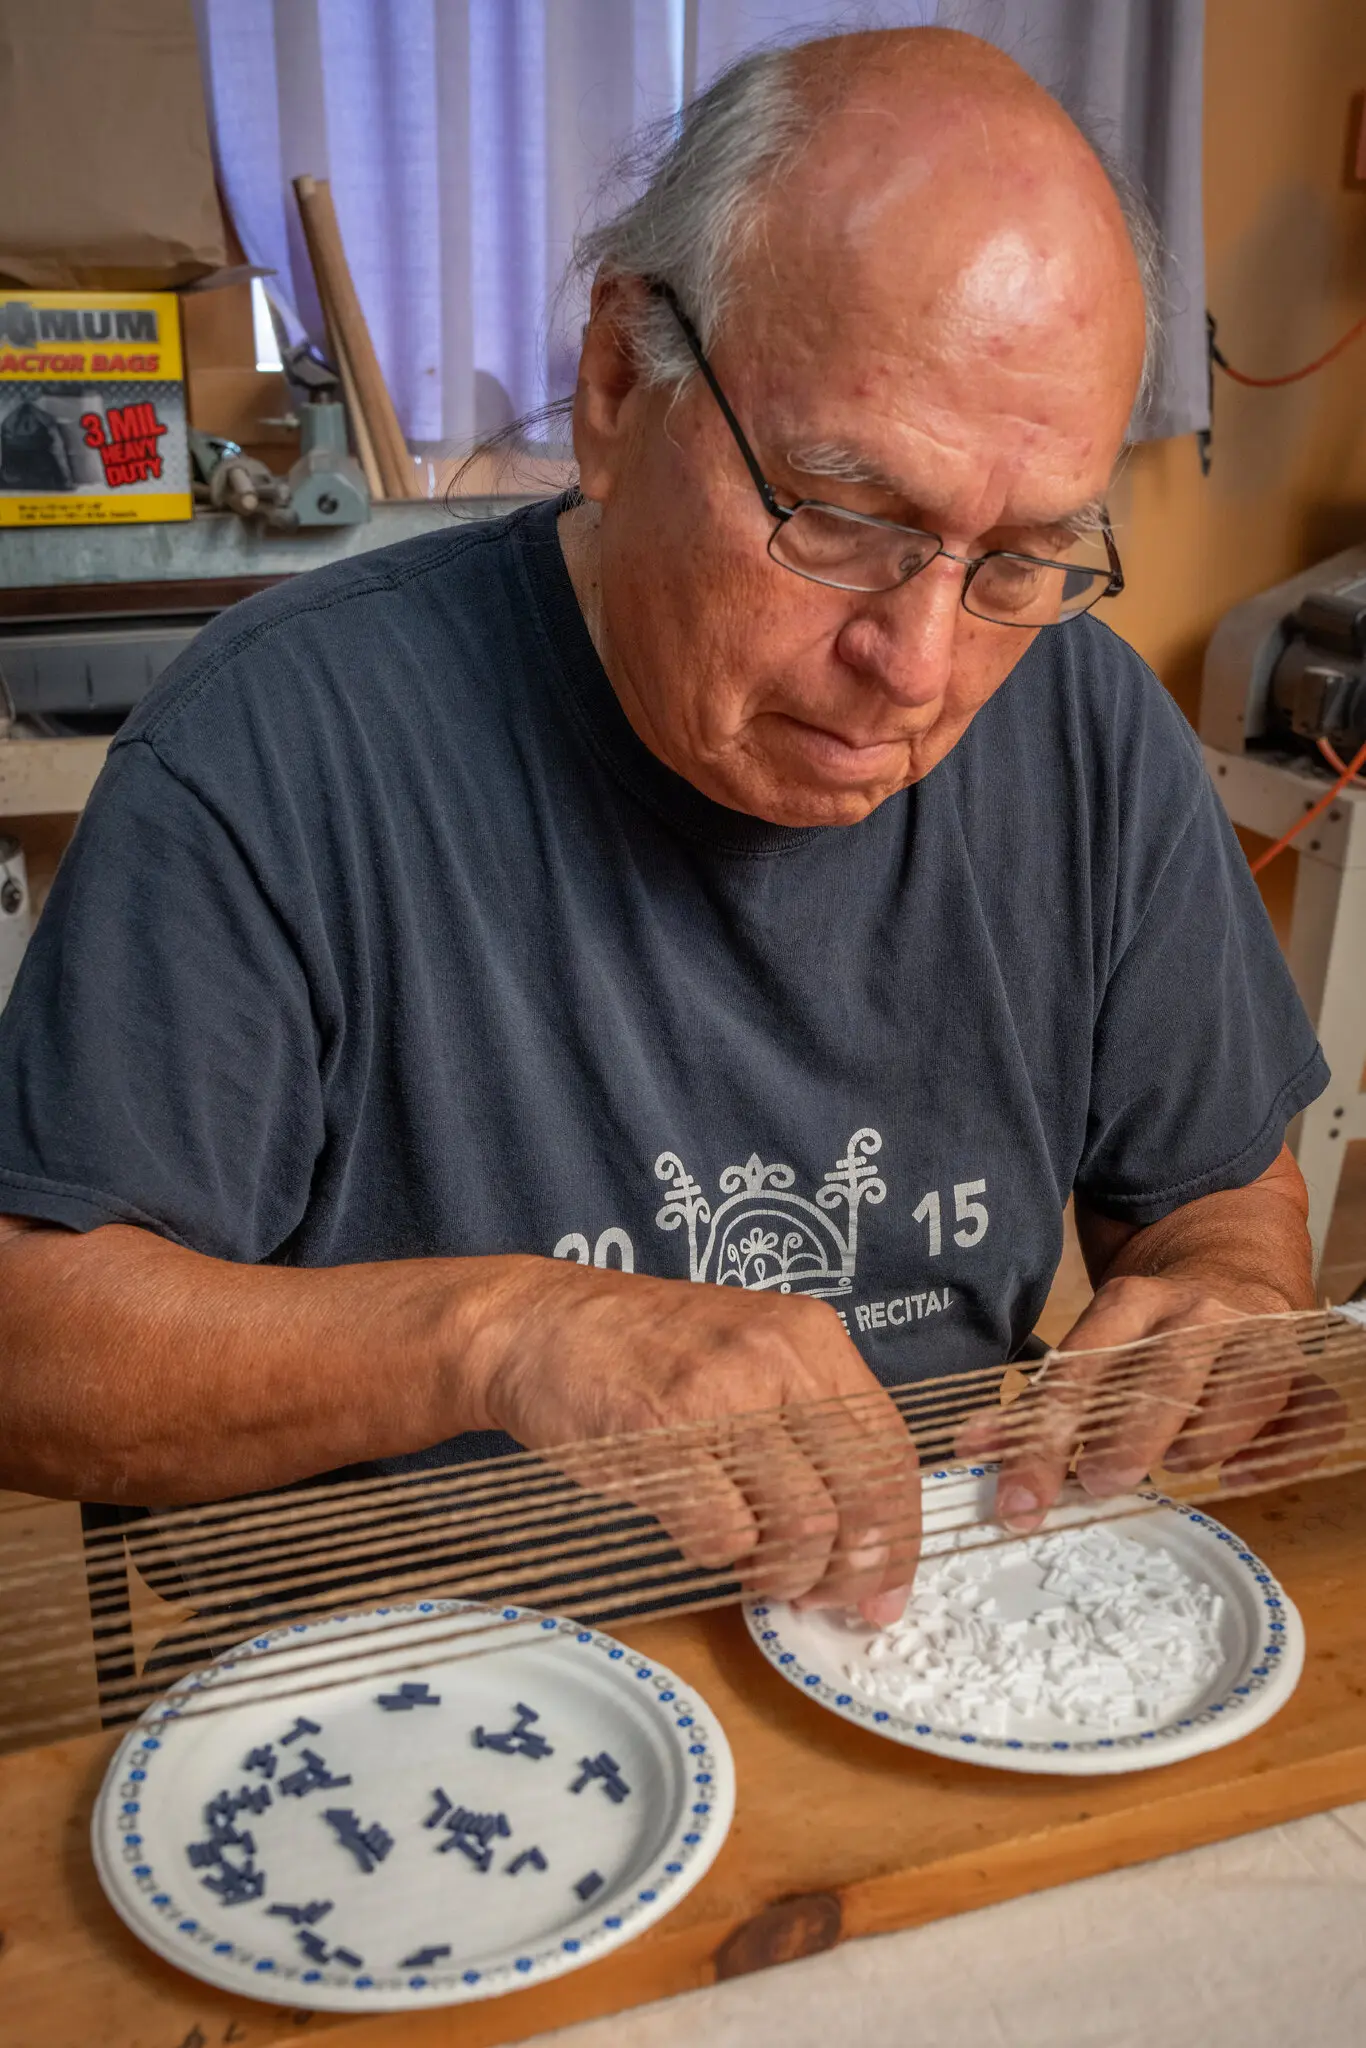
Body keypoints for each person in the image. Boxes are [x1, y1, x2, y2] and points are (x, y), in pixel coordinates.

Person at [0, 29, 1326, 1628]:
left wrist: (1228, 1294)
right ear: (620, 380)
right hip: (418, 1709)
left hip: (903, 1660)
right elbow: (32, 1344)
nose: (918, 665)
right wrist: (502, 1333)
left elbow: (1219, 1189)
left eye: (1023, 556)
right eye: (842, 516)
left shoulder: (1085, 727)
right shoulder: (277, 744)